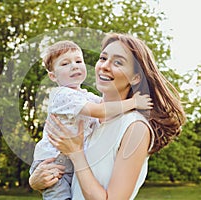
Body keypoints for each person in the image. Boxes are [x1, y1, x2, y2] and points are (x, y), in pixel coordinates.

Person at [30, 40, 153, 200]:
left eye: (118, 62)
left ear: (135, 77)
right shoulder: (90, 116)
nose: (105, 66)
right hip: (55, 163)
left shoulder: (134, 126)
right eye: (103, 58)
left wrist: (76, 153)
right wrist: (36, 181)